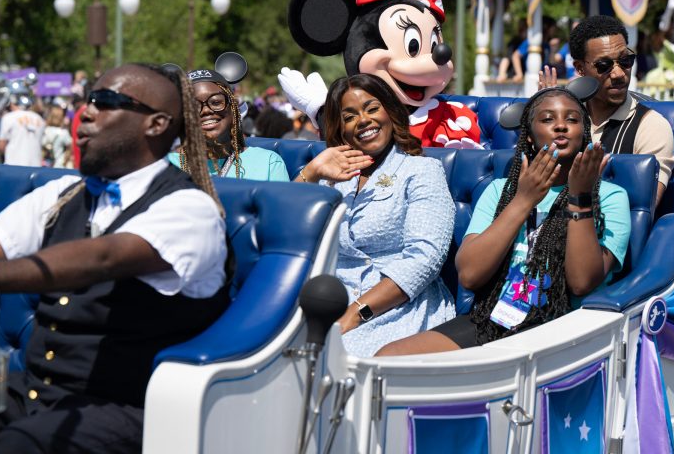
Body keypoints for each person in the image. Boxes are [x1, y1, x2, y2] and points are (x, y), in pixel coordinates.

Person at [0, 63, 228, 453]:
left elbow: (103, 258)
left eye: (106, 101)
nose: (86, 111)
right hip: (35, 395)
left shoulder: (191, 209)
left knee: (18, 446)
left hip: (127, 409)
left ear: (156, 124)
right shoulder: (62, 193)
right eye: (87, 99)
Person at [376, 85, 630, 355]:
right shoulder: (500, 190)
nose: (560, 127)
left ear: (584, 132)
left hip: (562, 326)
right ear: (530, 137)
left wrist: (580, 197)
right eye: (547, 119)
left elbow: (582, 282)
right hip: (494, 319)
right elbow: (470, 275)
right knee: (389, 357)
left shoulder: (611, 197)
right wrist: (523, 201)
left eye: (572, 119)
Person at [295, 74, 456, 357]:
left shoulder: (421, 171)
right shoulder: (331, 178)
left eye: (372, 109)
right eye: (350, 116)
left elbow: (424, 259)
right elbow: (286, 232)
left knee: (334, 356)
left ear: (391, 113)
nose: (363, 121)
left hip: (398, 306)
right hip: (330, 301)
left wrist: (354, 314)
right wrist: (311, 172)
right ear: (340, 128)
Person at [569, 15, 674, 204]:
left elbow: (641, 209)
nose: (619, 74)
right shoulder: (564, 119)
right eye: (604, 65)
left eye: (625, 61)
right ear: (580, 68)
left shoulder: (650, 126)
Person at [168, 67, 288, 180]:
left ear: (234, 108)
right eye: (193, 106)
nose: (205, 110)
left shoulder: (267, 162)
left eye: (215, 102)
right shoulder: (166, 164)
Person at [0, 96, 46, 166]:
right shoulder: (40, 119)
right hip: (36, 166)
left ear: (12, 104)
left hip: (14, 165)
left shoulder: (8, 117)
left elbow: (1, 146)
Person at [41, 104, 73, 169]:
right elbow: (71, 147)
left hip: (45, 165)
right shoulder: (63, 133)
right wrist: (66, 159)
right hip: (59, 166)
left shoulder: (44, 131)